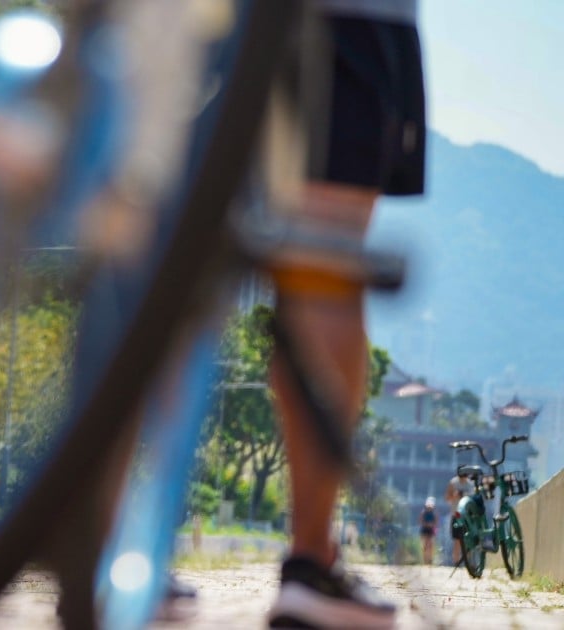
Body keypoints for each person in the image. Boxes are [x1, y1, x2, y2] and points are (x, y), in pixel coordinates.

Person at [266, 1, 425, 628]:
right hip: (345, 15)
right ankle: (309, 563)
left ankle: (107, 551)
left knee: (161, 246)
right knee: (325, 259)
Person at [445, 469, 475, 562]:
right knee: (457, 539)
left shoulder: (470, 484)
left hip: (468, 515)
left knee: (469, 539)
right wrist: (455, 495)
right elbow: (447, 498)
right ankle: (456, 561)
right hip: (456, 514)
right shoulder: (453, 483)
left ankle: (469, 561)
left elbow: (473, 497)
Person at [419, 497, 437, 565]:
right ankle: (425, 560)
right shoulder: (423, 512)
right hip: (424, 529)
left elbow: (436, 522)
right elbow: (420, 521)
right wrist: (426, 524)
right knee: (425, 545)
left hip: (431, 530)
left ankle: (430, 559)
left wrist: (432, 525)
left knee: (431, 545)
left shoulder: (434, 513)